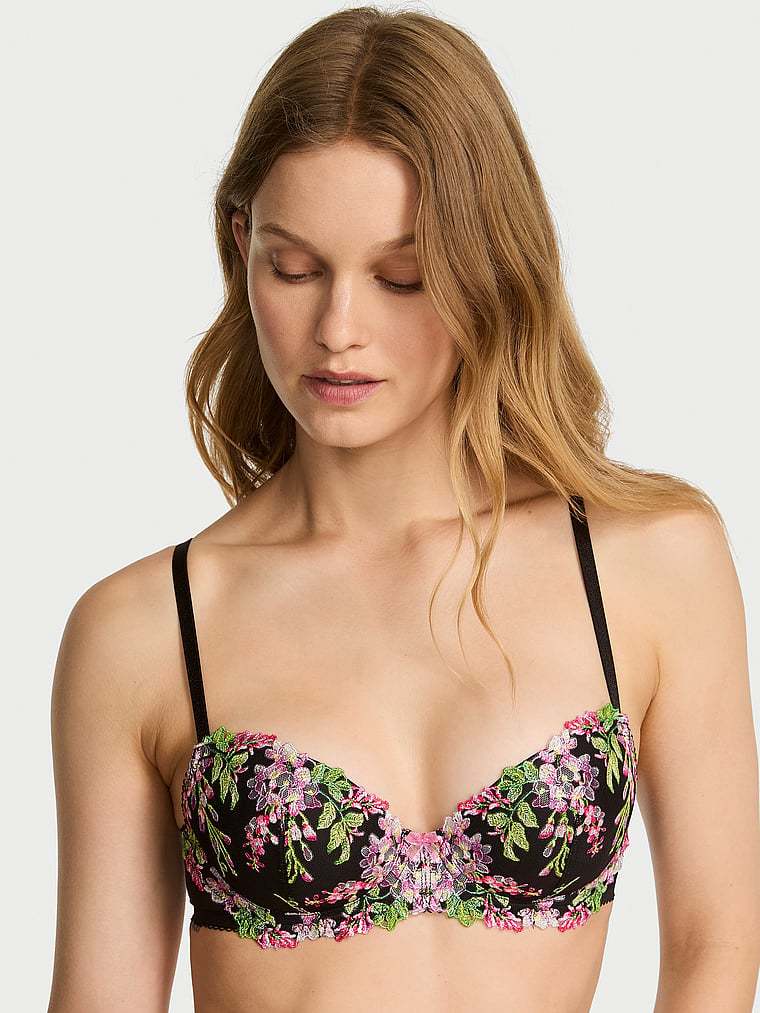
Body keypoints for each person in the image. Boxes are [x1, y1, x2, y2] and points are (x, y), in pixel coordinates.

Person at [47, 6, 760, 1012]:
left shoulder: (653, 562)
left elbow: (715, 945)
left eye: (402, 276)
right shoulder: (143, 630)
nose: (339, 328)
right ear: (241, 245)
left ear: (485, 267)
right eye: (295, 268)